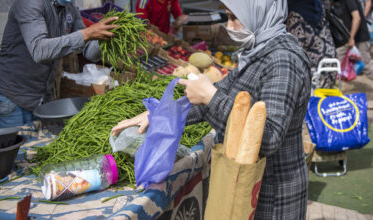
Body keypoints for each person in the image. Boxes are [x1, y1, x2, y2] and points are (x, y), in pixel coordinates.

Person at [113, 0, 312, 219]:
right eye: (228, 17)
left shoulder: (283, 59)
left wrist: (211, 97)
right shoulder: (259, 51)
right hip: (252, 186)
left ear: (258, 12)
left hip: (274, 197)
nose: (230, 26)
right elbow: (219, 92)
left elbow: (270, 137)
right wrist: (159, 114)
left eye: (234, 17)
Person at [0, 0, 119, 130]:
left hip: (39, 99)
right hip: (10, 97)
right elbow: (39, 51)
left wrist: (105, 38)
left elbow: (87, 50)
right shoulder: (30, 3)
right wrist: (86, 34)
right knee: (13, 150)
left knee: (36, 148)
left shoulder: (69, 8)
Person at [286, 0, 337, 88]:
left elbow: (296, 49)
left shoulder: (295, 13)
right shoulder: (318, 5)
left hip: (315, 70)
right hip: (331, 60)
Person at [336, 0, 373, 78]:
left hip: (359, 37)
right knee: (337, 59)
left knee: (367, 65)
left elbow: (357, 18)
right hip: (349, 37)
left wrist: (351, 38)